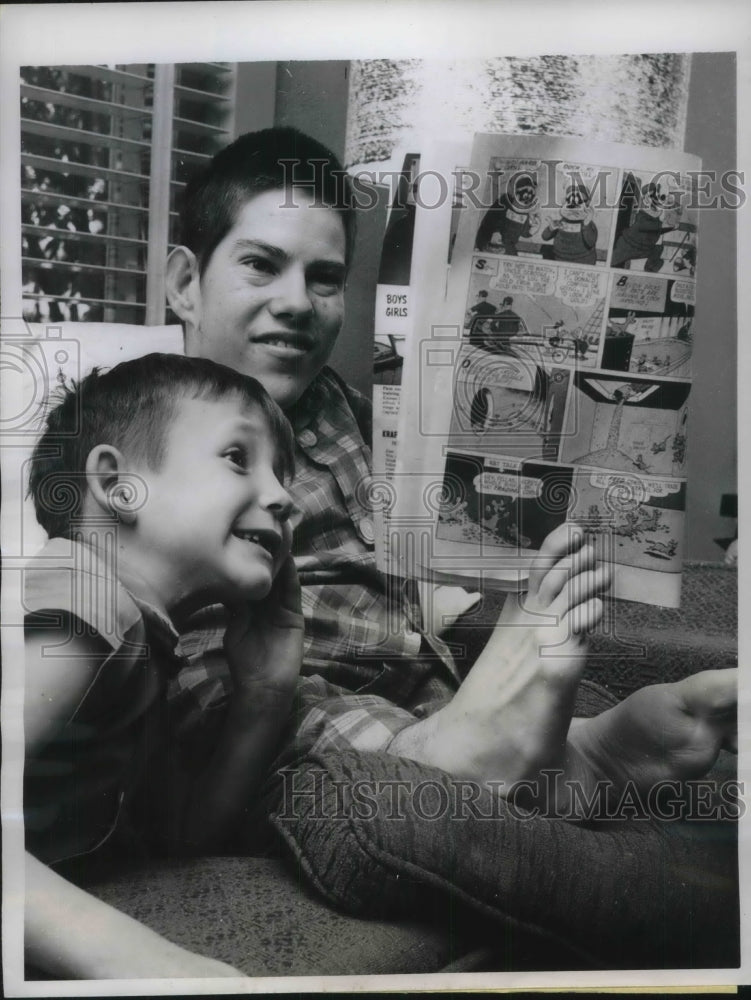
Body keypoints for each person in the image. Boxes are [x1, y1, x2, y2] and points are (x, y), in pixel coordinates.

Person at [164, 126, 737, 807]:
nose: (294, 303)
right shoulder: (147, 419)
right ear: (184, 283)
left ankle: (575, 751)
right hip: (271, 698)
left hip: (412, 679)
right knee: (246, 717)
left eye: (323, 279)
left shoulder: (340, 408)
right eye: (260, 264)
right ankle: (481, 761)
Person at [24, 353, 303, 978]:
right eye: (239, 457)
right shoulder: (86, 600)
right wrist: (152, 963)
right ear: (120, 486)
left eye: (284, 475)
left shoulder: (141, 638)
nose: (285, 497)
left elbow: (184, 844)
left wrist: (265, 690)